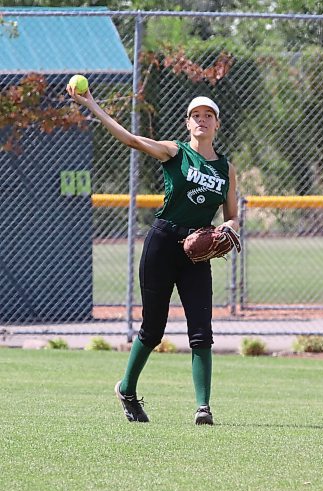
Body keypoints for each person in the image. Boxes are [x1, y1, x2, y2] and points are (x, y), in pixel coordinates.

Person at [67, 85, 239, 425]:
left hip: (197, 251)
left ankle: (203, 407)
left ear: (217, 124)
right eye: (196, 116)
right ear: (188, 123)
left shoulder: (226, 169)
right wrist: (92, 105)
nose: (202, 120)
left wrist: (229, 229)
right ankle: (126, 389)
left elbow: (232, 213)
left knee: (201, 330)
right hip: (162, 243)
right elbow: (131, 139)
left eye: (208, 116)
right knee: (153, 329)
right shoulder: (175, 152)